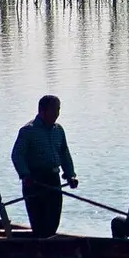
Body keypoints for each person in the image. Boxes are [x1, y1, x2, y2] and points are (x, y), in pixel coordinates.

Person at [11, 94, 78, 238]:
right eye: (54, 110)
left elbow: (64, 153)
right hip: (34, 181)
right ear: (42, 110)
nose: (57, 114)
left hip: (53, 179)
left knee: (53, 220)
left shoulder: (58, 130)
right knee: (39, 223)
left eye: (58, 110)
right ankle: (39, 250)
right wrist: (25, 175)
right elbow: (17, 155)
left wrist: (70, 175)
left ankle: (49, 246)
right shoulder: (28, 131)